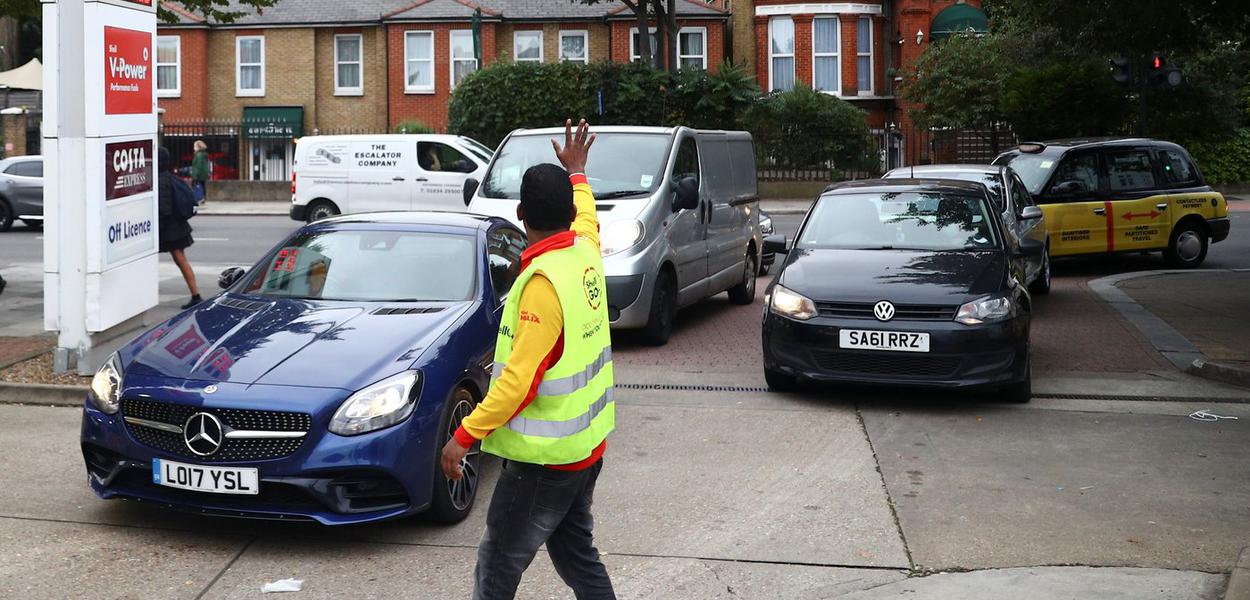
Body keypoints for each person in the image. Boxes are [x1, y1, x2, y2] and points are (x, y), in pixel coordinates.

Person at [441, 119, 615, 600]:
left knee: (496, 568)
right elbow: (587, 216)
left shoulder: (542, 283)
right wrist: (578, 172)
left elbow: (518, 383)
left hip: (545, 463)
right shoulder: (584, 251)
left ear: (520, 213)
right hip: (584, 450)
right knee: (578, 558)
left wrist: (463, 435)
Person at [158, 147, 202, 309]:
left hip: (169, 229)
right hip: (177, 226)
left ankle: (196, 295)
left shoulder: (160, 181)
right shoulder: (170, 178)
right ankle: (195, 294)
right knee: (181, 259)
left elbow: (164, 209)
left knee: (180, 259)